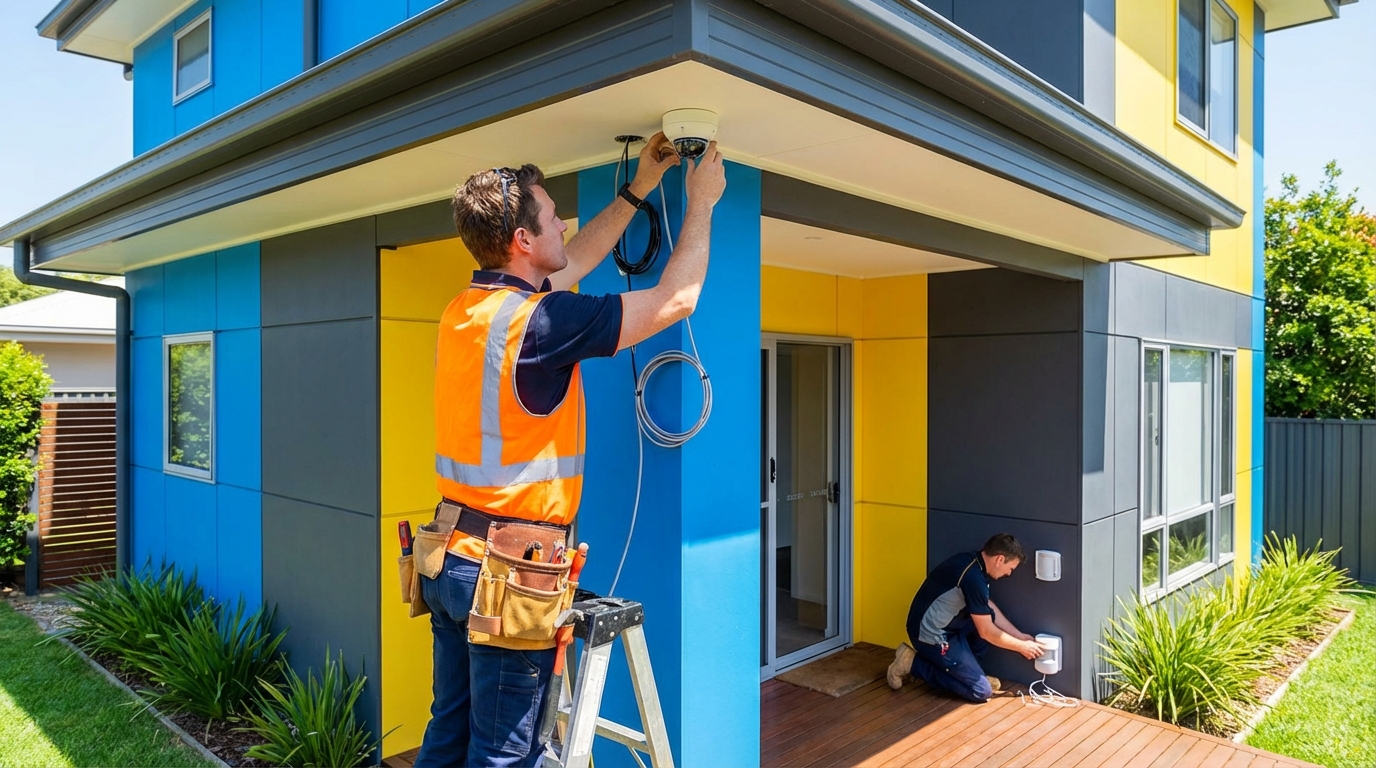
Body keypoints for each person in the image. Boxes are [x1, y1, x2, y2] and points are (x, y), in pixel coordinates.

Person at [413, 134, 728, 768]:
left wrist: (639, 188)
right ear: (523, 242)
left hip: (449, 556)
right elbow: (677, 300)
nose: (562, 222)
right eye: (552, 215)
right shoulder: (541, 321)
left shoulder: (468, 310)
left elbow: (571, 260)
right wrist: (702, 202)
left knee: (449, 733)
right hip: (506, 574)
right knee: (505, 754)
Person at [886, 533, 1045, 703]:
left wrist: (1019, 635)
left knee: (987, 617)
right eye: (1010, 568)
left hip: (949, 624)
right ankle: (912, 663)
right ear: (1000, 559)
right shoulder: (973, 578)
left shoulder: (973, 563)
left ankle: (967, 675)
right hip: (930, 634)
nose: (1009, 574)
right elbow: (986, 632)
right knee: (980, 691)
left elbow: (987, 607)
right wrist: (1022, 647)